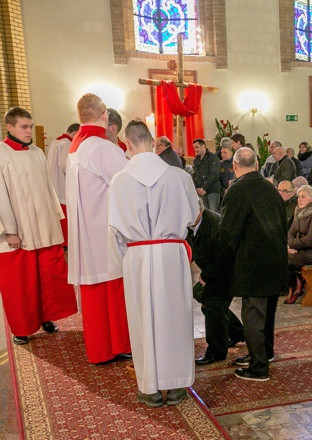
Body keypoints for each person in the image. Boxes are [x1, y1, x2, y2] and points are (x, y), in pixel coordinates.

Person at [107, 120, 199, 407]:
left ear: (128, 144)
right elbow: (194, 218)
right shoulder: (178, 176)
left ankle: (149, 388)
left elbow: (114, 230)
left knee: (142, 318)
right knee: (175, 317)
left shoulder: (120, 179)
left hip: (138, 255)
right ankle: (177, 387)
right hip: (171, 254)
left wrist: (123, 261)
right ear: (150, 140)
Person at [0, 107, 77, 345]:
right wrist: (9, 230)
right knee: (21, 283)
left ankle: (47, 316)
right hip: (19, 232)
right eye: (24, 127)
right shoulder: (1, 153)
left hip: (43, 227)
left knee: (47, 277)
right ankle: (22, 328)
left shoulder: (36, 152)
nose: (28, 131)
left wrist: (54, 218)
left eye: (30, 126)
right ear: (9, 127)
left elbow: (47, 187)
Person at [66, 93, 132, 364]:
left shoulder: (76, 146)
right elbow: (129, 185)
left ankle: (101, 348)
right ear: (104, 115)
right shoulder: (101, 147)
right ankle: (117, 344)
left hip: (87, 232)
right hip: (105, 232)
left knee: (96, 291)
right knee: (112, 288)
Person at [217, 147, 288, 381]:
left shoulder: (236, 190)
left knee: (253, 316)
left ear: (235, 166)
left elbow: (228, 233)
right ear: (257, 164)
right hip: (276, 260)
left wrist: (220, 265)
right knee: (267, 313)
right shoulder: (270, 188)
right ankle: (265, 354)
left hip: (253, 263)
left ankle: (258, 368)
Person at [188, 203, 245, 366]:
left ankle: (216, 352)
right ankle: (239, 333)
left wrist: (205, 277)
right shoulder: (194, 224)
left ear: (198, 209)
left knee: (213, 307)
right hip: (215, 272)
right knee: (205, 300)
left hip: (227, 272)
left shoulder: (214, 223)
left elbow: (224, 256)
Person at [285, 185, 312, 304]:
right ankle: (296, 284)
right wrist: (292, 246)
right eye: (299, 197)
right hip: (303, 250)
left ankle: (294, 288)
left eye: (303, 197)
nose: (300, 199)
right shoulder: (299, 211)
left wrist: (294, 247)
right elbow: (290, 233)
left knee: (287, 258)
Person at [46, 122, 80, 246]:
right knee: (64, 216)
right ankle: (66, 243)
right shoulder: (66, 143)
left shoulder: (56, 141)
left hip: (53, 182)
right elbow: (65, 165)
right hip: (62, 184)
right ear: (75, 133)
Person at [192, 138, 221, 212]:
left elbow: (214, 174)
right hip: (201, 191)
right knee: (206, 214)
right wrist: (197, 188)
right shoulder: (196, 160)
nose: (195, 150)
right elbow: (194, 174)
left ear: (203, 146)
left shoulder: (213, 158)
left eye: (197, 147)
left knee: (214, 214)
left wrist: (204, 188)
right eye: (194, 148)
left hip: (212, 190)